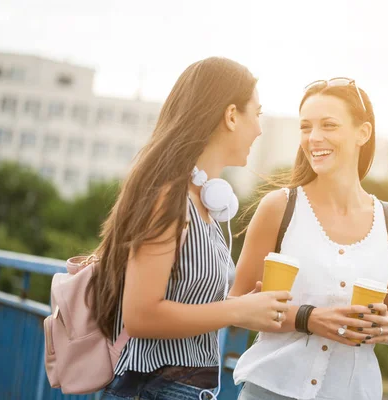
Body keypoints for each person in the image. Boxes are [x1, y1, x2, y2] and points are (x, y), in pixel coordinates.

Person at [88, 57, 292, 400]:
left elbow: (180, 299)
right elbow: (141, 315)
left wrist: (246, 306)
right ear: (230, 116)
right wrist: (239, 310)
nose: (259, 128)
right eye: (256, 114)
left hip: (181, 388)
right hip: (154, 389)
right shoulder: (169, 198)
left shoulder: (204, 202)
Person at [230, 78, 388, 400]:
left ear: (363, 133)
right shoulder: (279, 207)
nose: (314, 138)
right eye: (306, 127)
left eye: (329, 125)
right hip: (270, 389)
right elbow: (236, 304)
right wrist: (308, 318)